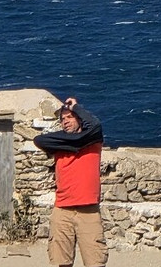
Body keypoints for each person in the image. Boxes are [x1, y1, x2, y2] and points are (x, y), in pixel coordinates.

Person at [33, 97, 107, 267]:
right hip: (62, 210)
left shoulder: (93, 139)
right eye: (62, 119)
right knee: (61, 261)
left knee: (95, 261)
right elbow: (39, 140)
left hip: (88, 210)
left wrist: (77, 107)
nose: (65, 121)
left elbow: (95, 125)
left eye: (70, 117)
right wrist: (74, 143)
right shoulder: (60, 143)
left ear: (79, 119)